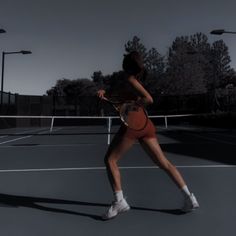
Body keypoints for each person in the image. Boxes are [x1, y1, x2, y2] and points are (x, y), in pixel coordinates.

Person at [97, 51, 199, 220]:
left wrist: (131, 106)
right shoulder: (129, 81)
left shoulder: (130, 80)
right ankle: (190, 198)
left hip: (133, 125)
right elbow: (116, 93)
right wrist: (104, 92)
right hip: (146, 125)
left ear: (125, 65)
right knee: (164, 163)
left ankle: (119, 201)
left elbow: (148, 99)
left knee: (110, 160)